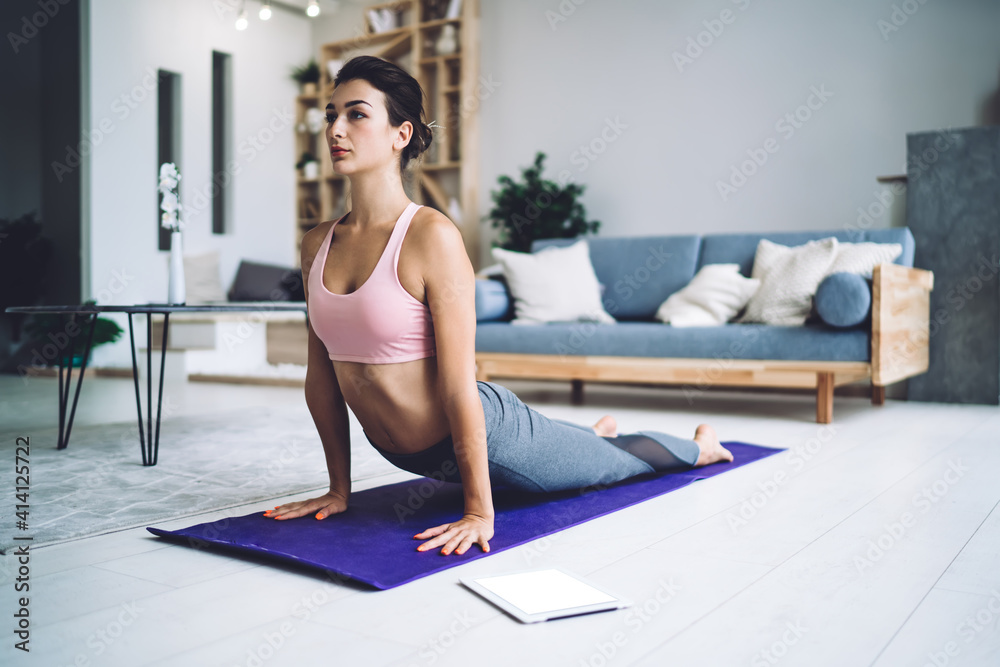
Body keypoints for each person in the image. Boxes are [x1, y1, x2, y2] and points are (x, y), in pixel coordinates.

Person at [265, 55, 733, 556]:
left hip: (495, 440)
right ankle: (583, 436)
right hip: (407, 455)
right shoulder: (317, 243)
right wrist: (340, 490)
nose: (336, 128)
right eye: (330, 115)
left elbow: (459, 383)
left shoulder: (431, 236)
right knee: (577, 448)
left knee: (612, 464)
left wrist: (478, 512)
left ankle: (698, 447)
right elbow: (321, 378)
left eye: (356, 114)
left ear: (401, 134)